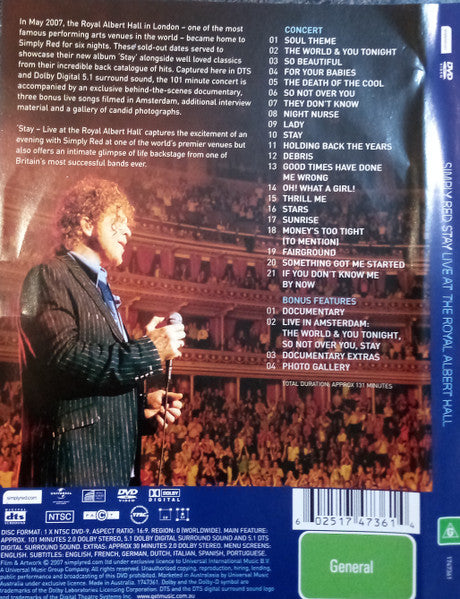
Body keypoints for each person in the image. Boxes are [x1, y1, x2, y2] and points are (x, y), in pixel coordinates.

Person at [18, 177, 185, 487]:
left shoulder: (100, 289)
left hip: (111, 474)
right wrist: (149, 350)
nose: (128, 231)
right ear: (86, 224)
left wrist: (140, 411)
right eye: (116, 222)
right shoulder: (50, 275)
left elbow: (93, 386)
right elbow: (66, 358)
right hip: (75, 475)